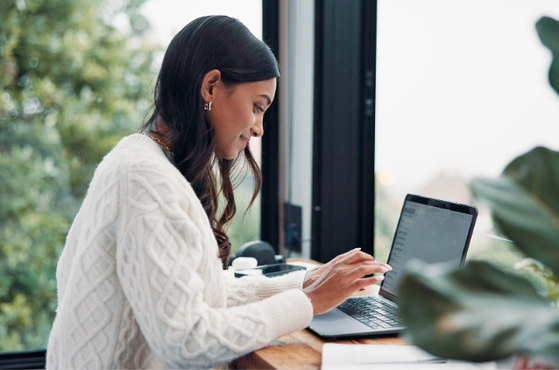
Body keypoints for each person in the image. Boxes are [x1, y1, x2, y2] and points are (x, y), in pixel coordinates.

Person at [46, 15, 391, 369]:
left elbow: (197, 295)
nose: (258, 129)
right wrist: (310, 303)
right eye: (257, 106)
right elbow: (188, 340)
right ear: (210, 86)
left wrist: (304, 284)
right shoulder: (144, 180)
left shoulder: (141, 161)